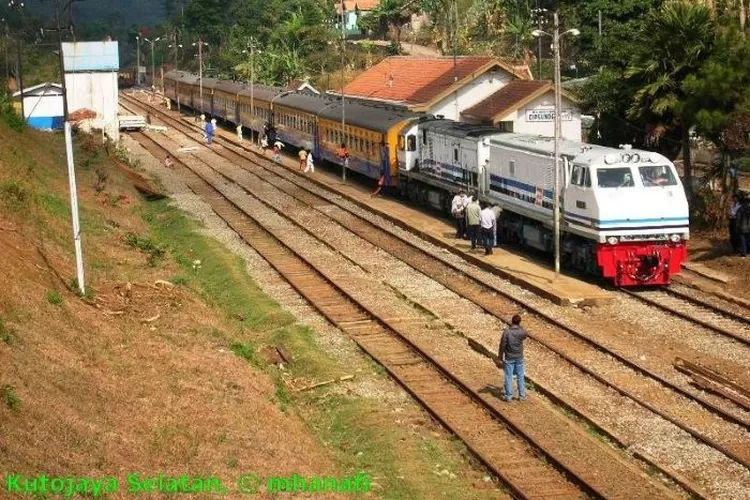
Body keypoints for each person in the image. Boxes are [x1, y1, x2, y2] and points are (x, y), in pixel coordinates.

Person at [498, 314, 527, 402]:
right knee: (520, 376)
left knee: (508, 376)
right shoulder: (522, 332)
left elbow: (502, 345)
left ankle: (509, 396)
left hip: (509, 357)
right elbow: (524, 337)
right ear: (519, 322)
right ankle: (522, 396)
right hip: (519, 357)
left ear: (512, 321)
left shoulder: (507, 332)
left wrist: (500, 357)